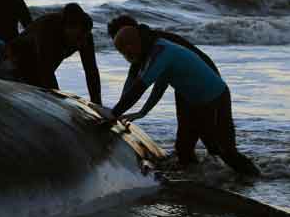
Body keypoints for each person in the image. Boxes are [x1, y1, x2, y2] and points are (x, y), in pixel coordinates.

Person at [110, 25, 260, 176]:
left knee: (222, 149)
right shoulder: (152, 50)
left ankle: (254, 177)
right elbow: (159, 87)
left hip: (215, 97)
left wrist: (113, 114)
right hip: (194, 100)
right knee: (183, 149)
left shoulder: (160, 52)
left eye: (124, 53)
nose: (126, 57)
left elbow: (139, 88)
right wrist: (143, 112)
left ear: (131, 45)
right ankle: (197, 181)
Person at [107, 14, 221, 167]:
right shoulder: (143, 44)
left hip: (204, 83)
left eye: (124, 39)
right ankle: (204, 168)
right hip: (187, 86)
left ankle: (215, 170)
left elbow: (141, 86)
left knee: (203, 137)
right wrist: (120, 111)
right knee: (187, 140)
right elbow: (133, 79)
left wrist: (115, 113)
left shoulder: (155, 45)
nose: (123, 47)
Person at [15, 3, 102, 105]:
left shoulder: (85, 36)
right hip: (18, 57)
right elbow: (45, 68)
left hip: (45, 62)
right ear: (66, 27)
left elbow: (91, 70)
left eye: (84, 37)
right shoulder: (47, 28)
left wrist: (97, 104)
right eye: (78, 38)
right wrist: (58, 102)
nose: (80, 43)